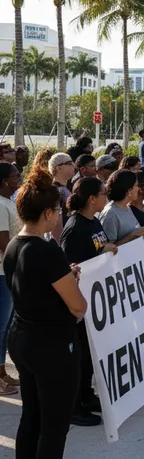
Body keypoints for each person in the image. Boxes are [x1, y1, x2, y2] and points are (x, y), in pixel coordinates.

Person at [4, 175, 88, 455]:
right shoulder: (47, 251)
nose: (59, 216)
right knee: (54, 425)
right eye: (58, 211)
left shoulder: (14, 245)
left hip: (21, 337)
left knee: (32, 415)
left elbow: (29, 288)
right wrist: (71, 281)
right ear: (46, 214)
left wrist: (65, 276)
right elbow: (78, 306)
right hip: (51, 345)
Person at [60, 176, 117, 426]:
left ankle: (86, 396)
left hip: (96, 299)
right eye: (103, 194)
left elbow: (98, 250)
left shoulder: (93, 221)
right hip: (80, 302)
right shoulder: (74, 228)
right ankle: (74, 406)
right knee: (79, 356)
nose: (106, 197)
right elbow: (71, 267)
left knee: (89, 355)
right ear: (92, 198)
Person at [0, 162, 21, 395]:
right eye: (16, 175)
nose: (19, 176)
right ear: (5, 181)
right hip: (2, 272)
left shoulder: (8, 202)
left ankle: (3, 373)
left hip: (9, 271)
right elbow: (3, 240)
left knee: (5, 327)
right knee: (0, 326)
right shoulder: (0, 205)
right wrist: (19, 261)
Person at [100, 169, 144, 245]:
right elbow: (107, 251)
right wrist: (132, 235)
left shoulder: (127, 208)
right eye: (136, 186)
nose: (138, 189)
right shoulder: (110, 214)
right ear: (129, 191)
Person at [49, 153, 76, 241]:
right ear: (59, 168)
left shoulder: (65, 188)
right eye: (69, 163)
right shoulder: (56, 191)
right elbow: (56, 222)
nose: (74, 165)